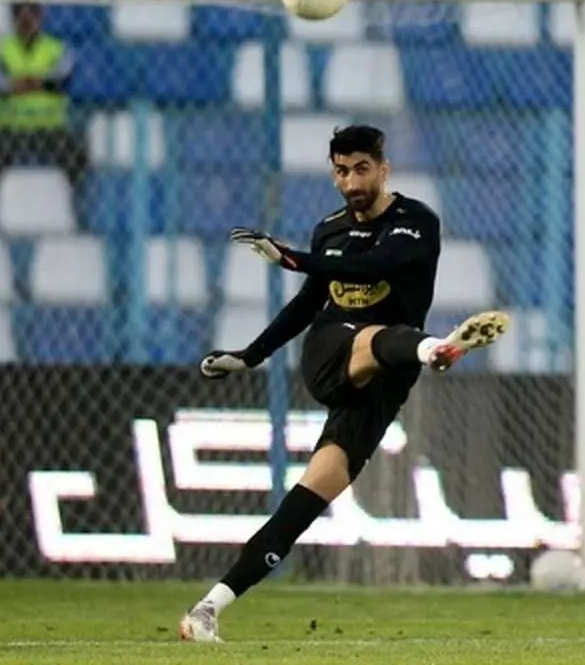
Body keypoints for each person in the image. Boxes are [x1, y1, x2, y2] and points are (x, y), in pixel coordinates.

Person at [178, 125, 510, 642]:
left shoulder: (416, 222)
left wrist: (290, 258)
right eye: (341, 171)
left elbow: (373, 267)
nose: (351, 181)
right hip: (333, 351)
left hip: (384, 381)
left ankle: (207, 610)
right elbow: (308, 304)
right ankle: (435, 349)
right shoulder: (329, 230)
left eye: (360, 169)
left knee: (308, 500)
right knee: (376, 336)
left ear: (383, 169)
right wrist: (250, 356)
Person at [0, 1, 88, 205]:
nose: (26, 21)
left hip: (49, 126)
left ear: (40, 18)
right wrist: (37, 83)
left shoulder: (56, 49)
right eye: (20, 15)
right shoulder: (2, 50)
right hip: (10, 126)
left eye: (32, 15)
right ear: (13, 19)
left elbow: (61, 79)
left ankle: (75, 205)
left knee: (78, 155)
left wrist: (22, 84)